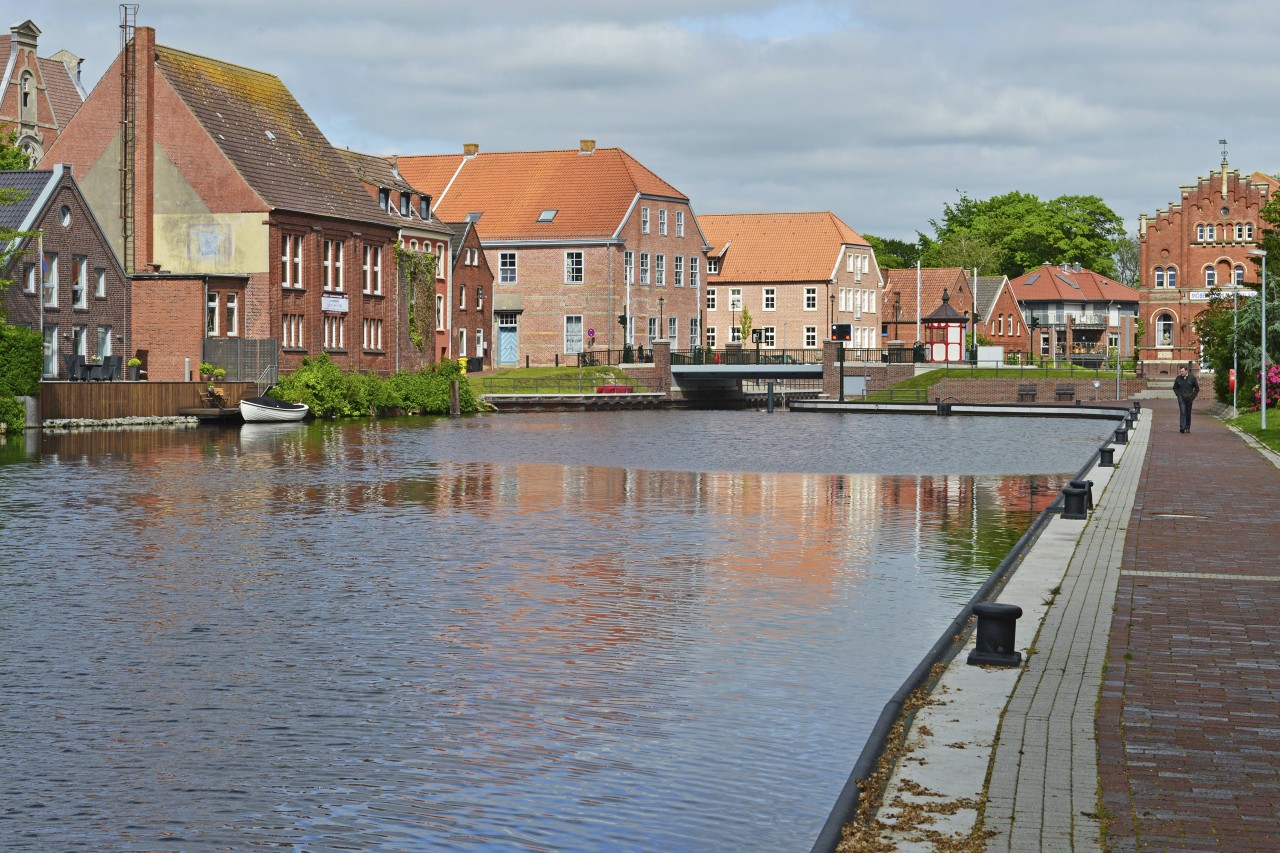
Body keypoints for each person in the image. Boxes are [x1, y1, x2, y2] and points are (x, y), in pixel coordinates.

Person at [1173, 365, 1199, 433]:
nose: (1181, 373)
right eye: (1180, 371)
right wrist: (1178, 395)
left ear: (1186, 371)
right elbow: (1175, 388)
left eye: (1182, 371)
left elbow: (1197, 388)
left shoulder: (1192, 378)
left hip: (1189, 398)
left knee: (1188, 413)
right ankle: (1182, 427)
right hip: (1181, 398)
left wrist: (1193, 397)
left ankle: (1187, 427)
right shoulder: (1178, 378)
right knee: (1183, 412)